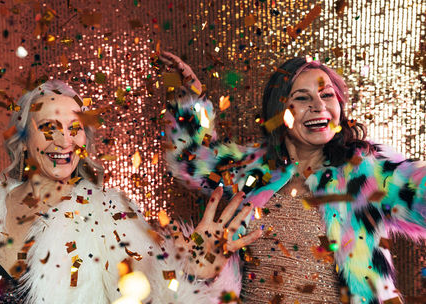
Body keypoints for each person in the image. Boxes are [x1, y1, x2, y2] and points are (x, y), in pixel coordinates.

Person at [0, 79, 261, 303]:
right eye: (49, 128)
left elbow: (147, 292)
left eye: (74, 128)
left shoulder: (109, 214)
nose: (64, 141)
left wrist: (188, 271)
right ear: (23, 140)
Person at [160, 52, 426, 303]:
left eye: (327, 95)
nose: (319, 106)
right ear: (279, 109)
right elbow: (191, 157)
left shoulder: (366, 174)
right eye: (302, 98)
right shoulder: (251, 172)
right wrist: (191, 98)